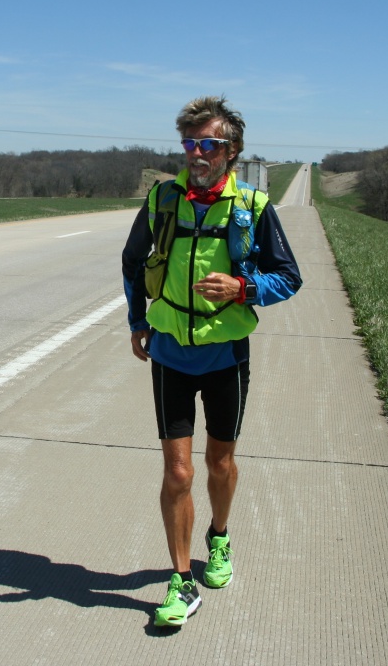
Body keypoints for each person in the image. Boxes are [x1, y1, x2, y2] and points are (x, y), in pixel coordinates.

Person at [121, 95, 302, 628]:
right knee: (177, 472)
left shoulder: (253, 206)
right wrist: (137, 320)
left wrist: (243, 288)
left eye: (209, 144)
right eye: (190, 143)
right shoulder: (162, 200)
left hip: (227, 355)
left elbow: (288, 277)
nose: (197, 153)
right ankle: (182, 581)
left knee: (219, 464)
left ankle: (218, 537)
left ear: (232, 150)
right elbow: (132, 263)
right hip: (170, 353)